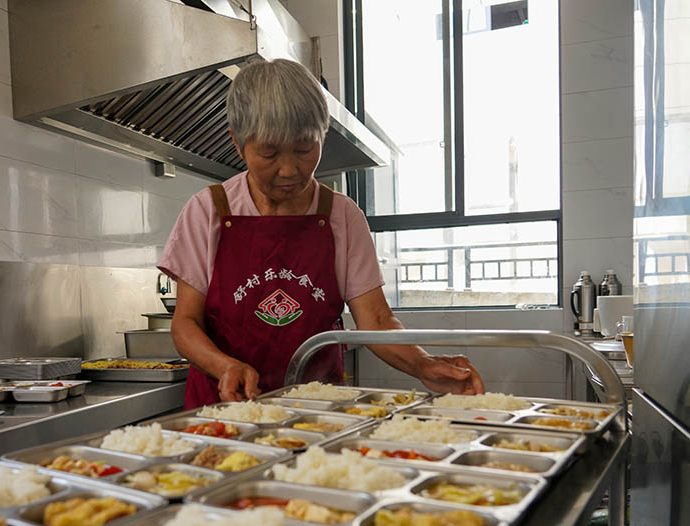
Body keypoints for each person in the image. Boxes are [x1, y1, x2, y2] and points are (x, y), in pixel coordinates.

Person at [158, 59, 484, 409]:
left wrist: (422, 363)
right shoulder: (208, 210)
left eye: (304, 149)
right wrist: (225, 366)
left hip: (317, 411)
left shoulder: (341, 216)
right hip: (222, 410)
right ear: (238, 144)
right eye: (269, 153)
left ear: (322, 135)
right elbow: (186, 323)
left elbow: (375, 320)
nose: (289, 169)